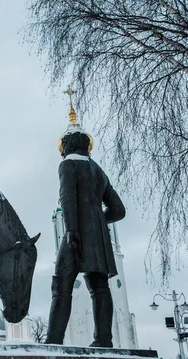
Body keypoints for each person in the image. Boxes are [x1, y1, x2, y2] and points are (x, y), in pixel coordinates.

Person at [45, 131, 126, 347]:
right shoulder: (98, 171)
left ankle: (53, 340)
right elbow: (118, 210)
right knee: (100, 287)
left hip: (75, 235)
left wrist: (73, 228)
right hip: (98, 239)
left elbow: (67, 197)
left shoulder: (67, 165)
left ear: (66, 148)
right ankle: (103, 340)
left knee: (61, 285)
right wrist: (97, 221)